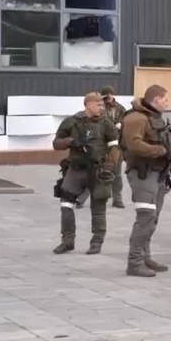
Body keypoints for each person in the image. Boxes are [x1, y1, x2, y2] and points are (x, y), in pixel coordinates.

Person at [51, 92, 121, 255]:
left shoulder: (107, 124)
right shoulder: (72, 122)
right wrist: (70, 142)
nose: (102, 107)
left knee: (98, 207)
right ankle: (67, 241)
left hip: (98, 171)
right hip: (76, 169)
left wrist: (109, 166)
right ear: (88, 105)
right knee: (66, 203)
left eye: (102, 105)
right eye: (98, 104)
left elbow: (115, 147)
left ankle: (96, 242)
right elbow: (56, 143)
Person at [121, 85, 171, 277]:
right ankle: (134, 263)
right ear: (157, 99)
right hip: (142, 173)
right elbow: (134, 144)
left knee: (152, 219)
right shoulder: (136, 118)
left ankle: (145, 256)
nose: (168, 103)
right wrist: (160, 151)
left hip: (158, 173)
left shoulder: (155, 118)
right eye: (166, 99)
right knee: (145, 217)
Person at [100, 86, 127, 208]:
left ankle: (117, 199)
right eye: (105, 96)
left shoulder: (120, 108)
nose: (108, 98)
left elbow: (126, 120)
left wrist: (121, 124)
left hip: (116, 144)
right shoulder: (100, 108)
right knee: (97, 171)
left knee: (117, 172)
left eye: (109, 95)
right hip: (102, 144)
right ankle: (83, 198)